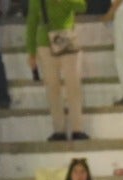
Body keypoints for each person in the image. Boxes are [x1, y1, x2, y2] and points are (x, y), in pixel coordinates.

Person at [27, 0, 87, 142]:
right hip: (45, 44)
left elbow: (82, 6)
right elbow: (32, 23)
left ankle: (77, 129)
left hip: (67, 40)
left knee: (73, 87)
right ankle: (58, 130)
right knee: (52, 88)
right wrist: (31, 53)